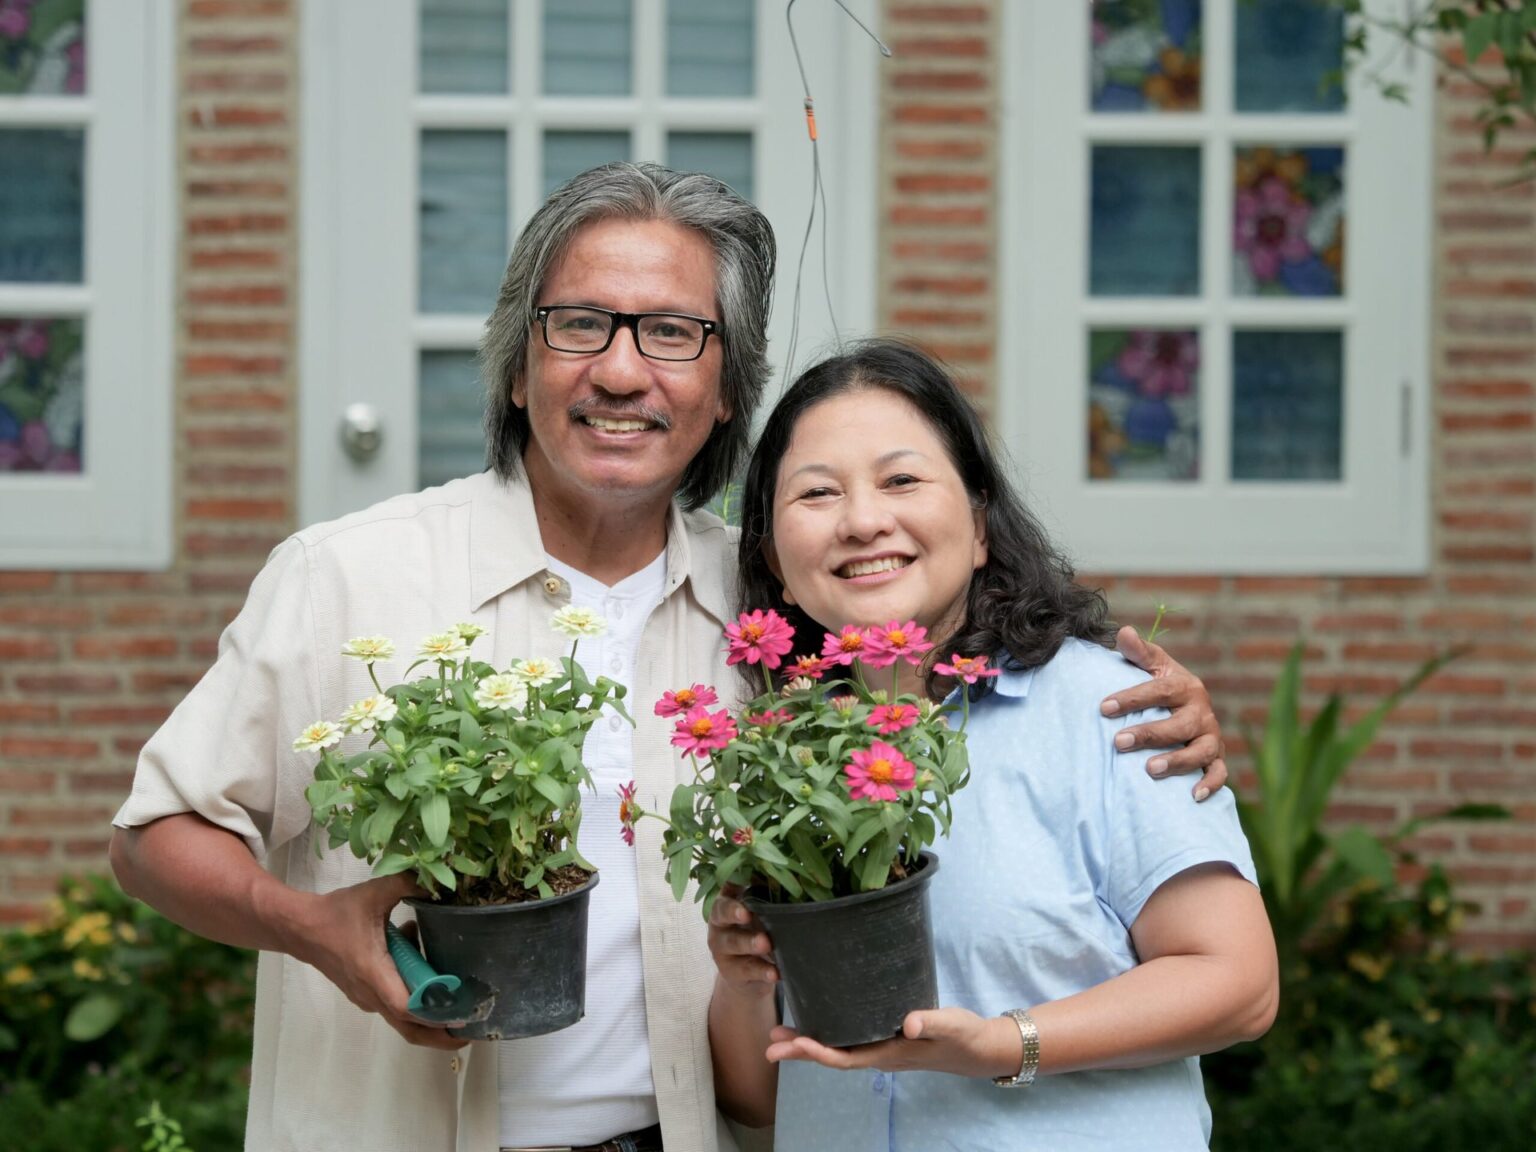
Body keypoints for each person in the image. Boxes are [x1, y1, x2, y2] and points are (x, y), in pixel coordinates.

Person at [108, 165, 1228, 1152]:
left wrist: (1137, 708)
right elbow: (157, 836)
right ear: (516, 367)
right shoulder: (350, 578)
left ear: (727, 386)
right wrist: (307, 925)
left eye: (673, 334)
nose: (623, 371)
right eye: (580, 324)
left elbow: (941, 653)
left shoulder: (776, 614)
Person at [708, 340, 1278, 1149]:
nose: (864, 519)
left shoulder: (1108, 707)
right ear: (772, 553)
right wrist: (741, 986)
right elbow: (759, 1100)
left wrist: (1005, 1045)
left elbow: (1239, 985)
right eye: (818, 493)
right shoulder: (778, 756)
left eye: (901, 480)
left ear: (979, 525)